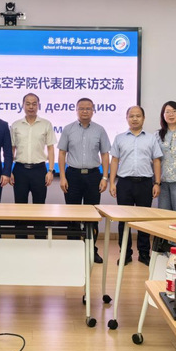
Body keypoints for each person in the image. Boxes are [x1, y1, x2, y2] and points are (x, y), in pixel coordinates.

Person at [58, 97, 110, 263]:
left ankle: (91, 249)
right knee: (72, 215)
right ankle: (72, 249)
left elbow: (105, 154)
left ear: (93, 110)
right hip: (72, 175)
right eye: (81, 108)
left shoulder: (100, 130)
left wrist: (105, 177)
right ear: (76, 110)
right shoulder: (68, 129)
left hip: (93, 176)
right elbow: (62, 153)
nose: (85, 111)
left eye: (88, 108)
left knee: (92, 216)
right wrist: (62, 177)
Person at [109, 106, 162, 266]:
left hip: (145, 183)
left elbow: (157, 161)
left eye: (138, 116)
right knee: (123, 220)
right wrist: (112, 182)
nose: (134, 119)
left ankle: (144, 254)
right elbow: (114, 160)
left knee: (144, 220)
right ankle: (125, 254)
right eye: (131, 116)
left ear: (143, 118)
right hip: (124, 183)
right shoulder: (119, 138)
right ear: (127, 118)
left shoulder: (151, 138)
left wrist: (157, 183)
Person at [10, 93, 57, 238]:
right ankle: (21, 239)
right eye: (28, 103)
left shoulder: (46, 124)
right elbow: (11, 149)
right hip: (20, 170)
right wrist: (9, 171)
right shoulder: (16, 125)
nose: (31, 106)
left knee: (39, 206)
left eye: (34, 103)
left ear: (38, 105)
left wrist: (50, 170)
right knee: (20, 207)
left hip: (39, 170)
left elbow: (50, 148)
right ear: (23, 105)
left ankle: (39, 239)